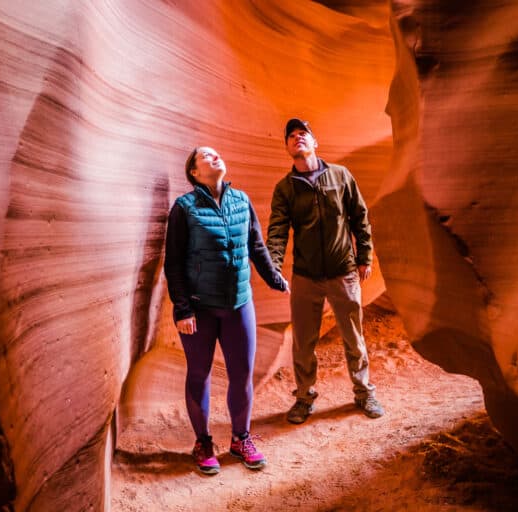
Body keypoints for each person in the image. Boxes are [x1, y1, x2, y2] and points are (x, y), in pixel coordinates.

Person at [164, 146, 289, 475]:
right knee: (199, 374)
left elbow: (256, 246)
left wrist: (274, 279)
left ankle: (240, 438)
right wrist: (183, 309)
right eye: (205, 156)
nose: (214, 156)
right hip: (200, 308)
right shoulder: (184, 208)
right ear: (194, 172)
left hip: (239, 304)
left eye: (216, 153)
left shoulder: (241, 201)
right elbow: (173, 263)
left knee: (242, 374)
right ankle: (203, 442)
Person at [266, 118, 385, 424]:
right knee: (304, 342)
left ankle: (364, 392)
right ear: (287, 147)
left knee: (353, 338)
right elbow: (277, 230)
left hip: (343, 271)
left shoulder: (340, 176)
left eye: (303, 134)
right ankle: (304, 398)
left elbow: (359, 217)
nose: (297, 138)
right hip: (306, 277)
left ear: (314, 142)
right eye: (291, 136)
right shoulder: (285, 188)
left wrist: (365, 256)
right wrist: (273, 266)